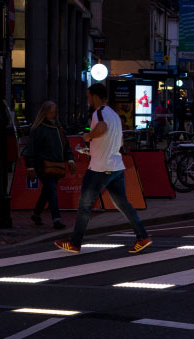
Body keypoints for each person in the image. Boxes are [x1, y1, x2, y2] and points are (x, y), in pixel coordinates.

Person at [55, 83, 152, 254]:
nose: (88, 100)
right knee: (123, 204)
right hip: (116, 166)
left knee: (85, 205)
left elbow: (102, 128)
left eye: (88, 96)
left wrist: (88, 136)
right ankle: (142, 236)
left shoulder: (99, 113)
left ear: (95, 96)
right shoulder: (114, 115)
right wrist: (92, 149)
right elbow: (119, 142)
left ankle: (75, 243)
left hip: (100, 168)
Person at [23, 101, 76, 230]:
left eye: (54, 112)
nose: (53, 114)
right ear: (45, 113)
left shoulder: (58, 128)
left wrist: (70, 159)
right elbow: (31, 148)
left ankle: (36, 213)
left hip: (56, 164)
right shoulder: (38, 129)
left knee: (47, 191)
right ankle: (56, 219)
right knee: (51, 189)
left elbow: (66, 145)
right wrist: (31, 166)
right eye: (51, 112)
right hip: (42, 165)